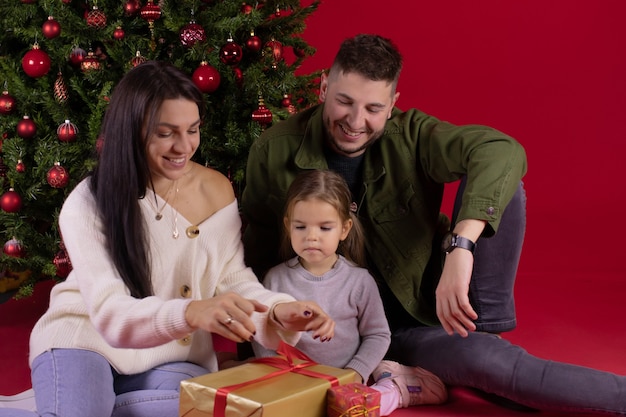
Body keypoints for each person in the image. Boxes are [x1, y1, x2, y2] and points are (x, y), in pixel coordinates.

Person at [241, 34, 626, 414]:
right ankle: (480, 361)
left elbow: (502, 151)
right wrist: (257, 356)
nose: (356, 121)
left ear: (393, 104)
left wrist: (461, 248)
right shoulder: (274, 150)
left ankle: (485, 333)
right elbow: (255, 262)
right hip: (364, 338)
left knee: (503, 187)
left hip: (434, 311)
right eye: (344, 101)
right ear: (324, 86)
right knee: (491, 365)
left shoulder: (412, 135)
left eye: (373, 108)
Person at [0, 61, 335, 417]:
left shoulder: (216, 189)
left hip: (175, 353)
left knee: (213, 412)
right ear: (132, 131)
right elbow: (111, 314)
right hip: (84, 339)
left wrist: (279, 312)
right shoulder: (88, 201)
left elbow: (231, 279)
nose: (184, 146)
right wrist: (192, 311)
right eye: (165, 133)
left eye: (193, 129)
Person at [252, 169, 447, 415]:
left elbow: (377, 335)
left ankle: (397, 389)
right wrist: (276, 372)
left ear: (344, 229)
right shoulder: (275, 279)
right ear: (288, 226)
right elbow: (261, 331)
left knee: (356, 410)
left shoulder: (359, 281)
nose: (311, 237)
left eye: (325, 228)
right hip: (293, 384)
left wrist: (355, 372)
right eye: (301, 227)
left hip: (346, 383)